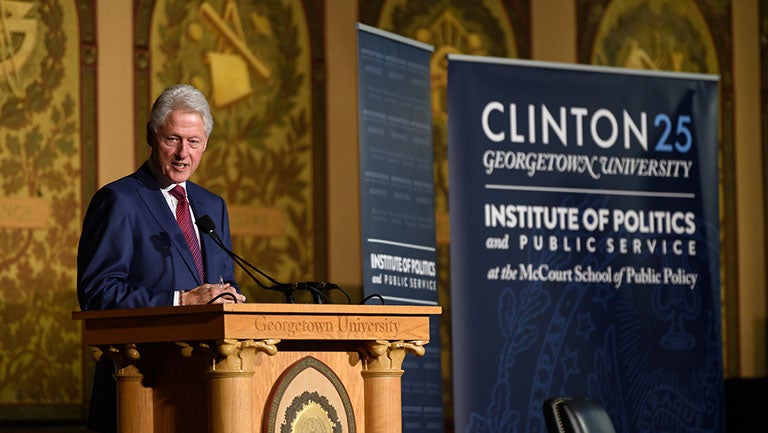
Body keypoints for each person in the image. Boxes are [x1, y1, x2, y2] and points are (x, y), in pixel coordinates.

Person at [77, 83, 246, 432]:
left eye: (194, 142)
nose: (183, 153)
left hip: (209, 385)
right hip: (140, 384)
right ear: (151, 137)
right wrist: (180, 301)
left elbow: (223, 281)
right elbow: (98, 294)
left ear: (205, 145)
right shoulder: (119, 201)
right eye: (173, 139)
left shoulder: (212, 206)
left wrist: (231, 298)